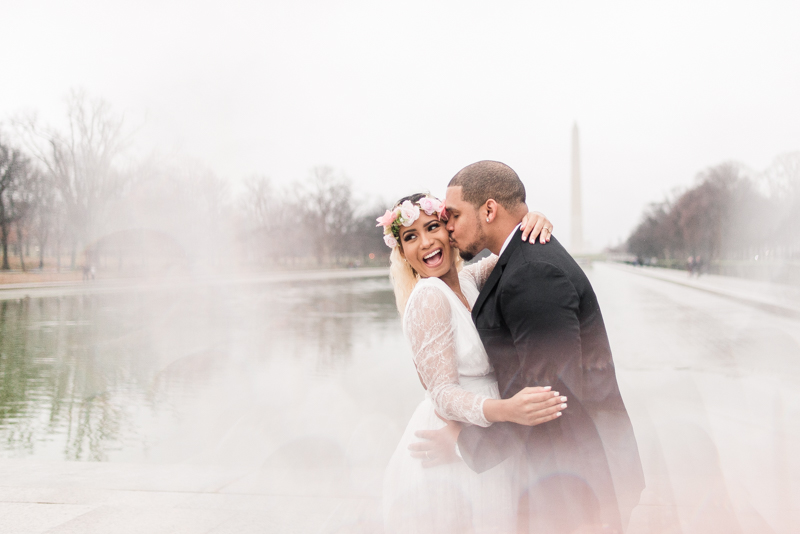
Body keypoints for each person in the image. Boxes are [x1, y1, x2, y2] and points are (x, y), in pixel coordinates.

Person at [412, 161, 645, 533]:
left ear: (489, 210)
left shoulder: (532, 272)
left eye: (453, 215)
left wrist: (462, 442)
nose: (448, 227)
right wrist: (529, 218)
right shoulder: (517, 259)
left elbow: (548, 399)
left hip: (573, 477)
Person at [378, 193, 565, 534]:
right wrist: (506, 410)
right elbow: (442, 394)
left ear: (449, 230)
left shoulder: (468, 281)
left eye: (432, 227)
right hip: (458, 440)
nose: (426, 242)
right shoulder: (429, 296)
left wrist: (534, 219)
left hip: (486, 438)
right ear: (402, 252)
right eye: (410, 237)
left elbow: (512, 248)